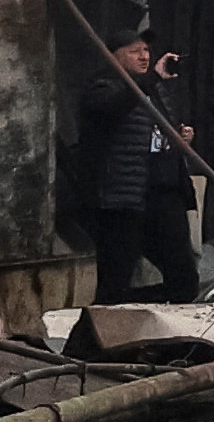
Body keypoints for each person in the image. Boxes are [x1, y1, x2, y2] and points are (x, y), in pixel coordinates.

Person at [81, 28, 206, 300]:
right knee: (115, 281)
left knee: (184, 279)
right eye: (134, 51)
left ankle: (151, 324)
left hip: (164, 195)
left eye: (146, 50)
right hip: (124, 200)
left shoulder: (154, 90)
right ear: (114, 56)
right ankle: (112, 318)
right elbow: (117, 106)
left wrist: (179, 136)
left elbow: (156, 128)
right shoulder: (103, 86)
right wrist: (151, 79)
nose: (144, 56)